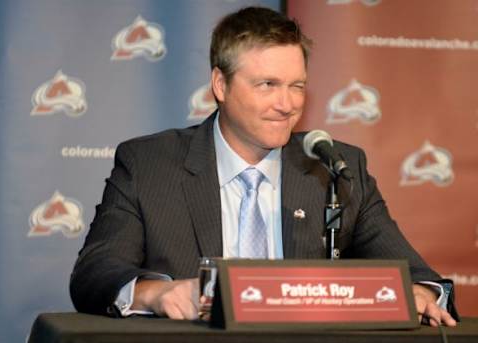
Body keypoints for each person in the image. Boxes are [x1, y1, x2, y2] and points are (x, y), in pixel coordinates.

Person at [70, 6, 458, 326]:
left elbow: (422, 279)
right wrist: (156, 293)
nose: (287, 104)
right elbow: (94, 273)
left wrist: (420, 294)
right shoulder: (150, 165)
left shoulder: (336, 168)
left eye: (297, 86)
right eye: (267, 85)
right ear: (220, 85)